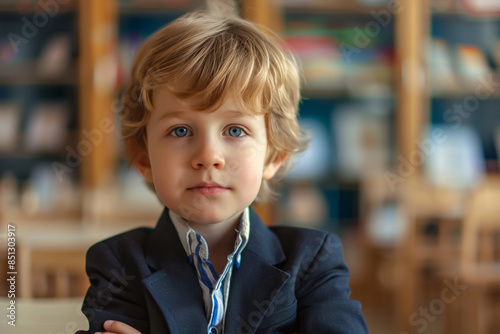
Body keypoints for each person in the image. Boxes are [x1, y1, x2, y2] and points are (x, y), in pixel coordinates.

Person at [76, 10, 369, 334]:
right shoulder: (117, 263)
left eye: (235, 130)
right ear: (144, 158)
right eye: (180, 131)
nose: (208, 156)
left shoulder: (312, 260)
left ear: (274, 157)